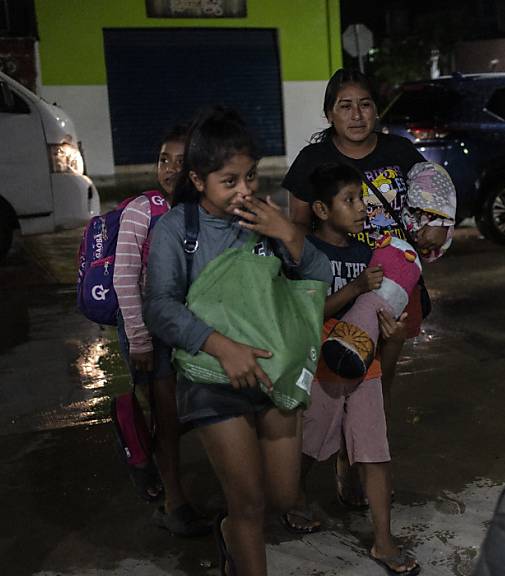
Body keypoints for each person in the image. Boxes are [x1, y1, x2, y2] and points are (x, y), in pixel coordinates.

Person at [144, 107, 331, 576]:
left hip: (274, 373)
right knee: (247, 503)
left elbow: (320, 276)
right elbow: (160, 307)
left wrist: (288, 233)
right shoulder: (175, 231)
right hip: (213, 377)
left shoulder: (266, 220)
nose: (245, 189)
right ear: (198, 179)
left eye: (250, 175)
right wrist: (221, 347)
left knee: (285, 495)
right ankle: (238, 537)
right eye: (229, 181)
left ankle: (229, 533)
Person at [282, 67, 450, 508]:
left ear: (376, 109)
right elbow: (297, 229)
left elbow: (430, 210)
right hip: (336, 284)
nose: (356, 115)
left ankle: (354, 462)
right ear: (329, 114)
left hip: (394, 286)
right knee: (330, 380)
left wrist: (436, 232)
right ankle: (306, 472)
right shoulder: (310, 162)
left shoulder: (401, 151)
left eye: (365, 104)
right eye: (344, 106)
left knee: (379, 381)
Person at [282, 161, 420, 575]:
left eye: (361, 198)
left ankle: (383, 540)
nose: (362, 207)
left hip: (366, 367)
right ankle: (295, 497)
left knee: (375, 452)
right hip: (322, 365)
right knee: (309, 445)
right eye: (350, 200)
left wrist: (392, 332)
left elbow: (384, 309)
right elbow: (308, 312)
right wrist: (357, 287)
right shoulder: (308, 253)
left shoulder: (370, 253)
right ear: (322, 210)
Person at [113, 123, 211, 536]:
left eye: (180, 159)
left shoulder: (202, 210)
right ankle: (174, 502)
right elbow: (125, 279)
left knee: (182, 413)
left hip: (185, 325)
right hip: (147, 329)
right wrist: (138, 340)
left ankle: (149, 458)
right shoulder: (142, 210)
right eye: (163, 159)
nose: (170, 168)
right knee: (168, 415)